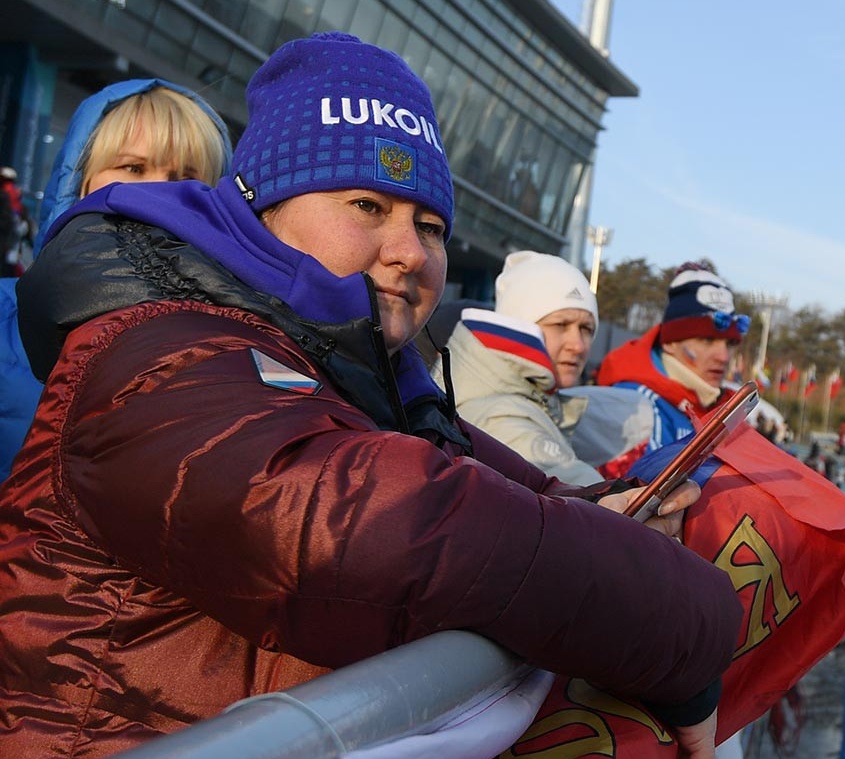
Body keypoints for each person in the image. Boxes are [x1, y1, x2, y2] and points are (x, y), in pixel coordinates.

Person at [0, 33, 740, 757]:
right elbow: (355, 520)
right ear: (263, 210)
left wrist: (609, 514)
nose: (411, 251)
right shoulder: (158, 346)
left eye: (429, 223)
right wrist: (680, 618)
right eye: (366, 206)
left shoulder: (366, 379)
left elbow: (506, 490)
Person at [0, 79, 232, 484]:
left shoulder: (239, 350)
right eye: (133, 167)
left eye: (186, 177)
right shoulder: (4, 319)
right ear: (81, 179)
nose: (159, 191)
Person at [444, 250, 651, 484]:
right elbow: (592, 504)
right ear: (519, 326)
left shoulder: (530, 400)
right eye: (560, 324)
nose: (578, 345)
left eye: (587, 329)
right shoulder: (501, 419)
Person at [598, 262, 748, 448]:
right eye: (707, 340)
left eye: (730, 343)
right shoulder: (637, 406)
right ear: (670, 343)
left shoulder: (724, 410)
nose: (724, 357)